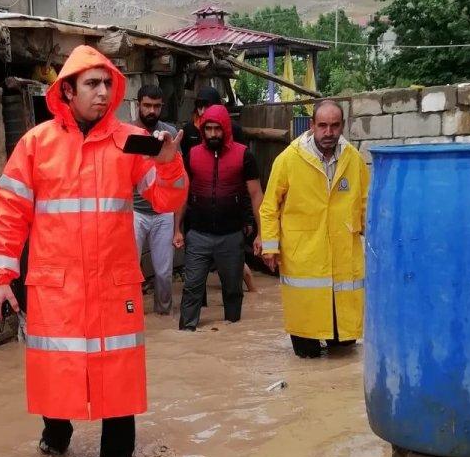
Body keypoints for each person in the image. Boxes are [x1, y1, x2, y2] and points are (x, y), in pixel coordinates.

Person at [0, 45, 187, 457]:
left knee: (117, 376)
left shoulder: (132, 142)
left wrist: (170, 165)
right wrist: (0, 279)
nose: (101, 92)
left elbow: (166, 201)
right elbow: (10, 213)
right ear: (68, 90)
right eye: (91, 84)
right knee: (57, 374)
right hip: (56, 288)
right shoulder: (36, 145)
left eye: (106, 84)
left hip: (113, 285)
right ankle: (55, 445)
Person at [257, 98, 370, 358]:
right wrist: (270, 248)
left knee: (344, 352)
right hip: (303, 258)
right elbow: (269, 206)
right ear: (311, 125)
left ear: (343, 125)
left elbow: (366, 205)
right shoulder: (288, 159)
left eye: (334, 126)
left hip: (343, 258)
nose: (328, 132)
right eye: (322, 126)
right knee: (306, 354)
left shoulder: (354, 159)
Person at [176, 104, 263, 331]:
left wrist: (262, 233)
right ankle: (186, 332)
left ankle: (232, 332)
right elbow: (182, 194)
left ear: (225, 128)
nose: (213, 133)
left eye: (217, 129)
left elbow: (256, 195)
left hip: (231, 236)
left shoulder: (243, 155)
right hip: (198, 235)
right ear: (202, 129)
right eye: (208, 128)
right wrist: (176, 228)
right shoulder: (193, 155)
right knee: (192, 287)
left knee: (233, 290)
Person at [133, 84, 178, 315]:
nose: (152, 110)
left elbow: (178, 179)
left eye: (156, 106)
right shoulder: (126, 133)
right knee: (129, 271)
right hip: (134, 212)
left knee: (164, 272)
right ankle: (130, 315)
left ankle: (164, 315)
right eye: (147, 105)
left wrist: (179, 226)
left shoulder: (169, 133)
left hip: (163, 212)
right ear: (138, 105)